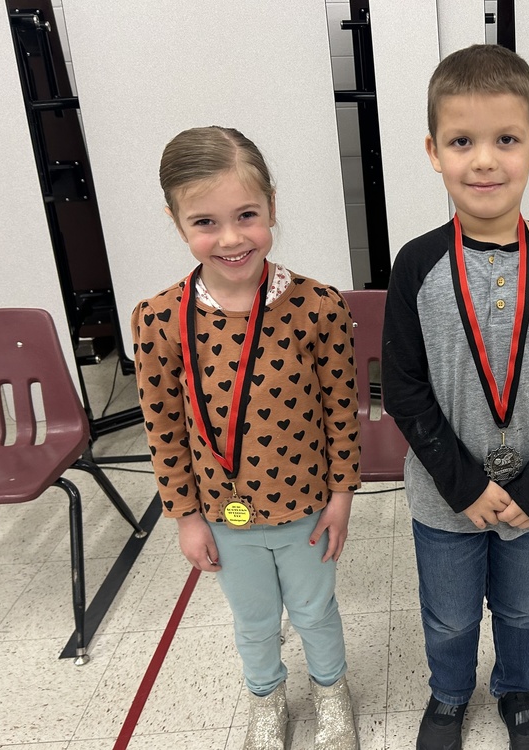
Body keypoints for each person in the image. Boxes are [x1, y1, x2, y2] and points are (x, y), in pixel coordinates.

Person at [382, 45, 529, 750]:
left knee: (523, 606)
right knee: (447, 614)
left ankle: (516, 687)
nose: (484, 160)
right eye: (462, 142)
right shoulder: (417, 262)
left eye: (505, 140)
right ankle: (449, 695)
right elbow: (404, 386)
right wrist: (463, 485)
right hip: (444, 496)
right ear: (432, 151)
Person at [132, 126, 362, 750]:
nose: (231, 238)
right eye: (206, 221)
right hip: (224, 512)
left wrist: (342, 494)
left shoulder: (318, 306)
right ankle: (266, 696)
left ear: (272, 208)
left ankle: (331, 689)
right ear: (176, 220)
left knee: (315, 612)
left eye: (247, 216)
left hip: (308, 507)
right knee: (254, 620)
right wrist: (184, 517)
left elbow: (343, 409)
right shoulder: (158, 319)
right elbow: (163, 428)